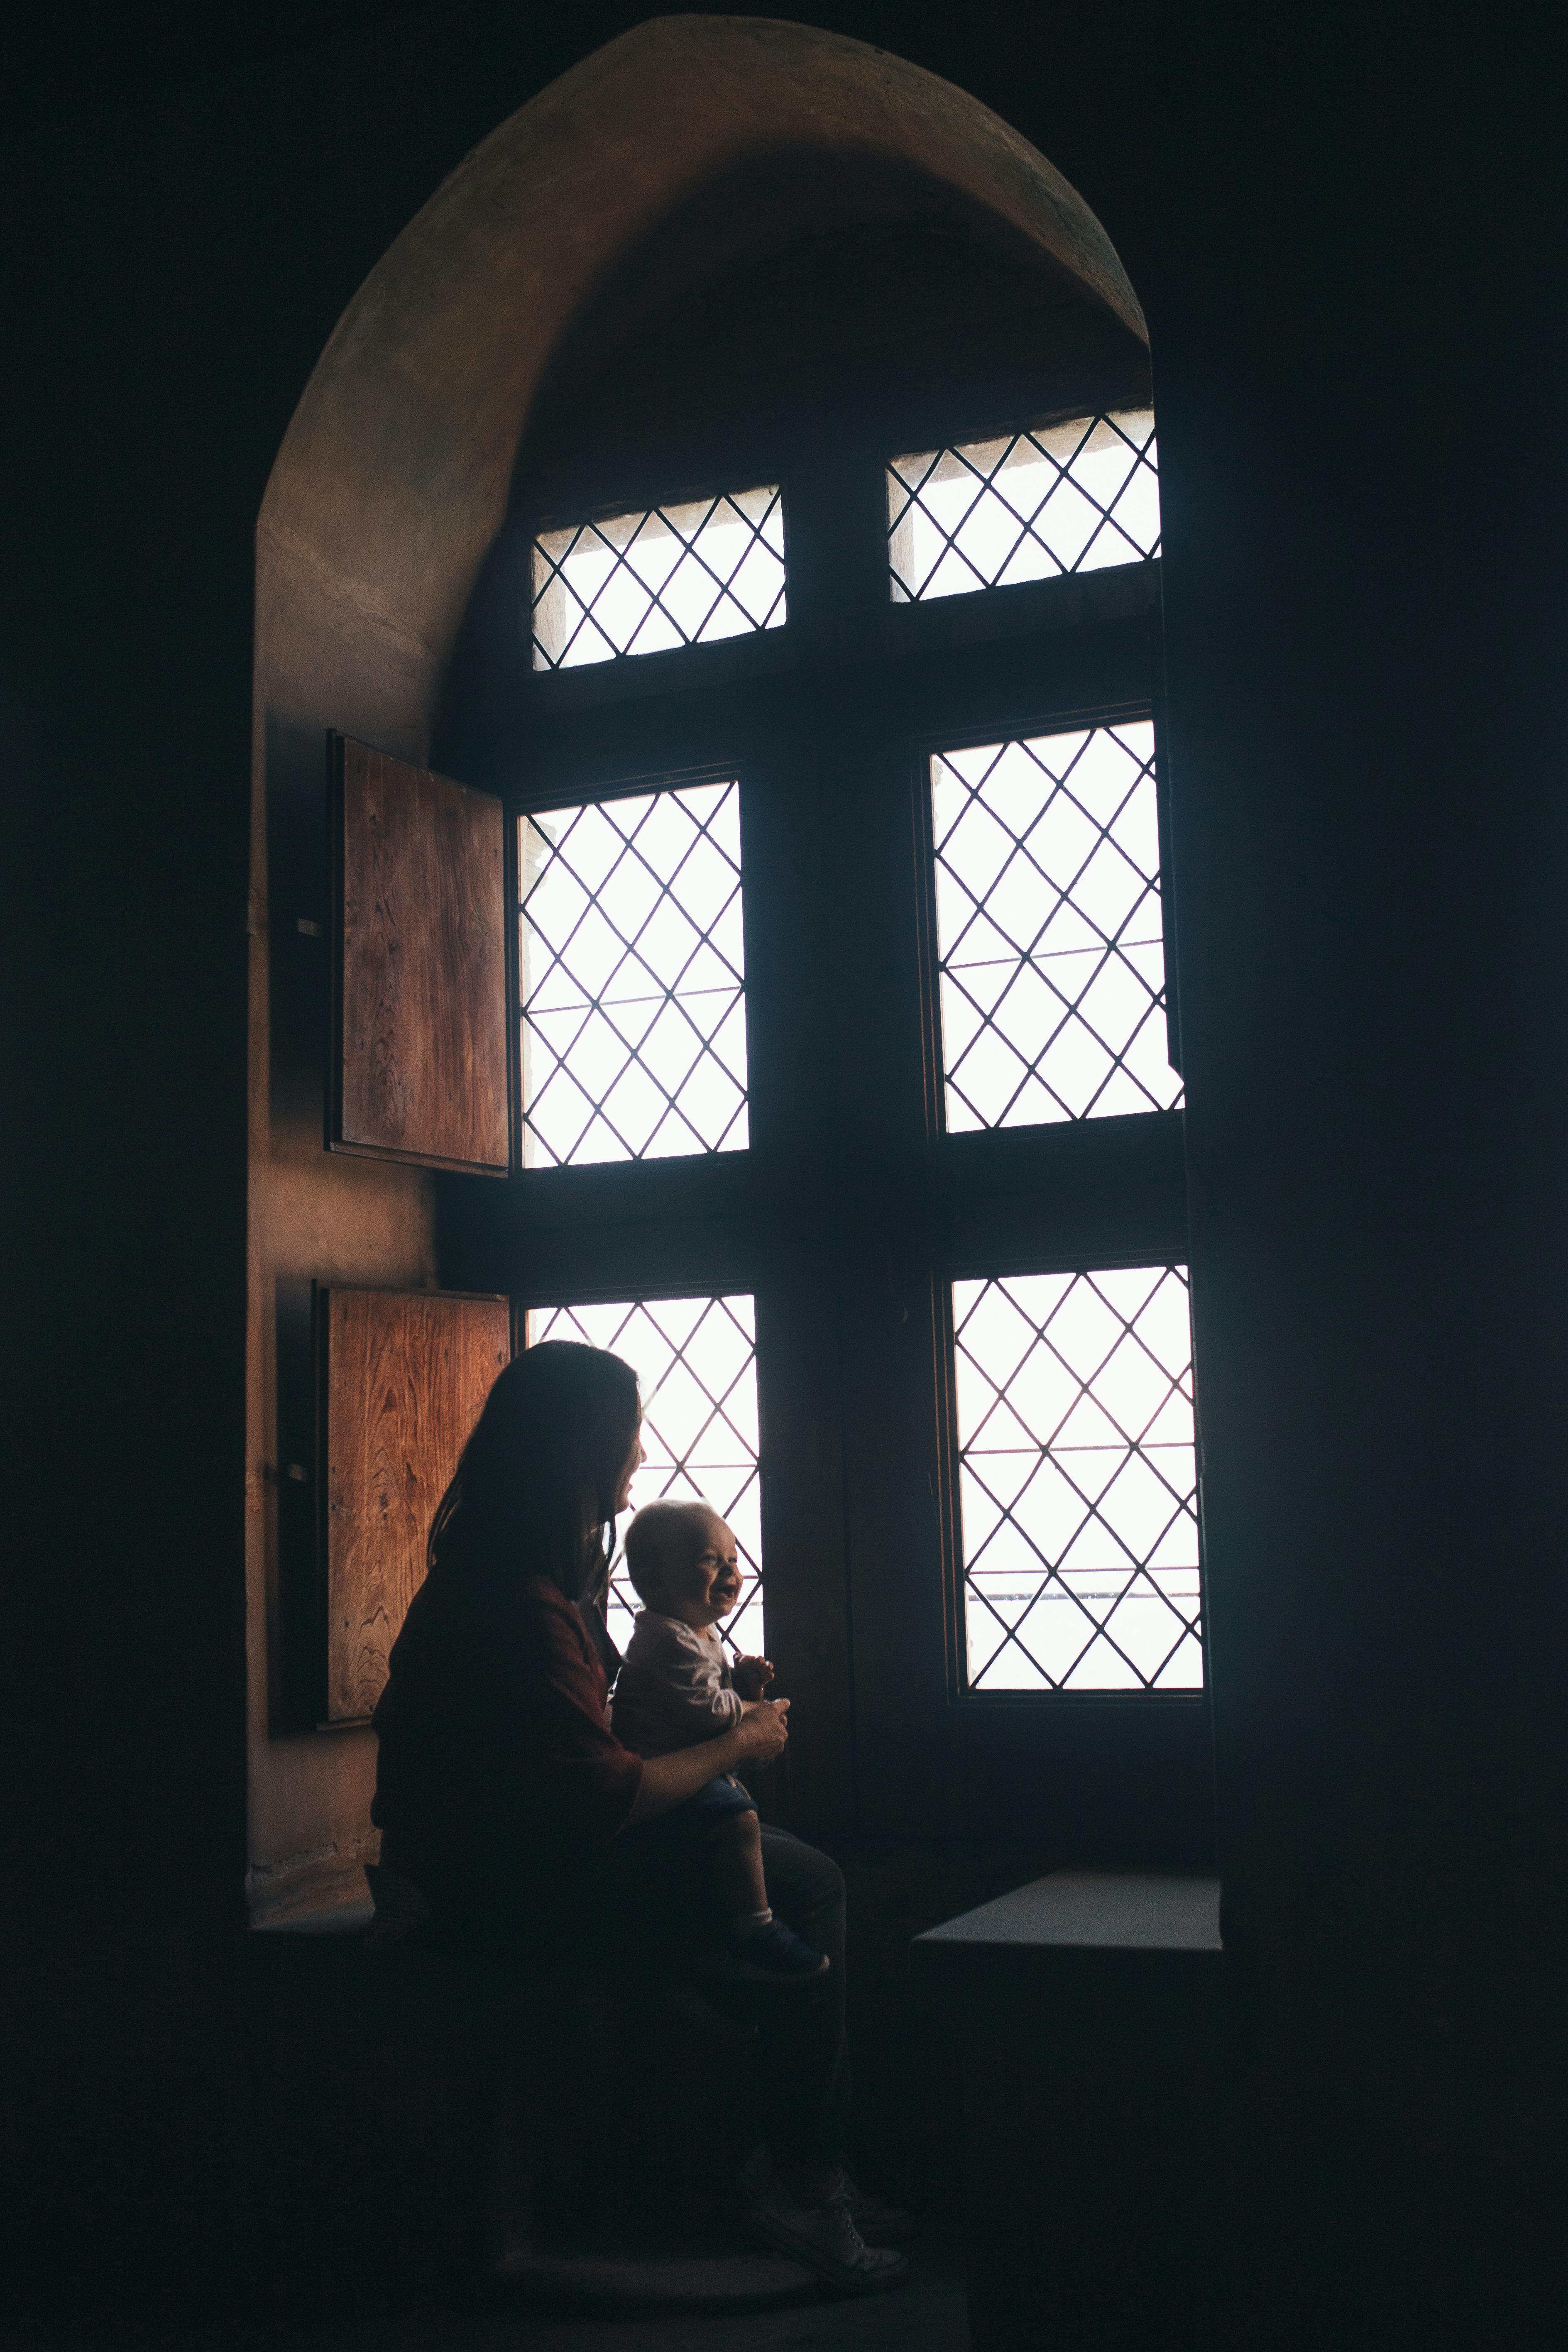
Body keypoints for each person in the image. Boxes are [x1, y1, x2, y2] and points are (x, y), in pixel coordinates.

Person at [367, 1340, 909, 2292]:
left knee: (773, 1871)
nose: (635, 1473)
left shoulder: (509, 1581)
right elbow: (598, 1795)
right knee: (807, 1884)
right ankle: (803, 2178)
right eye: (627, 1445)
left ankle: (787, 2158)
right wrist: (741, 1743)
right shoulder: (522, 1607)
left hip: (497, 1861)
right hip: (495, 1892)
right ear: (577, 1455)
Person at [609, 1497, 826, 1985]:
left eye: (733, 1558)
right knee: (738, 1819)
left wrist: (742, 1683)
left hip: (689, 1766)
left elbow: (708, 1693)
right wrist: (756, 1712)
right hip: (666, 1778)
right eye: (710, 1559)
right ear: (653, 1579)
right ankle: (756, 1927)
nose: (731, 1570)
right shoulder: (668, 1639)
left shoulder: (696, 1633)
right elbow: (708, 1712)